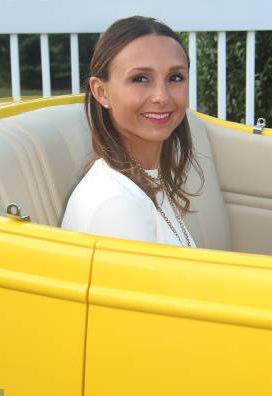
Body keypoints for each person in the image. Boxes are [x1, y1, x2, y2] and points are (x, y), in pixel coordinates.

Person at [62, 16, 203, 247]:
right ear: (101, 92)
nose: (162, 96)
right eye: (140, 79)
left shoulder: (146, 177)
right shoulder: (115, 205)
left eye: (175, 77)